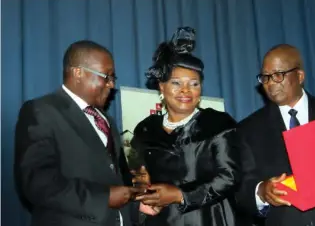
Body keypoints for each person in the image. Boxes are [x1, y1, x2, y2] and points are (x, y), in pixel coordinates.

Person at [14, 40, 157, 226]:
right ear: (78, 73)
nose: (112, 85)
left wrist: (138, 206)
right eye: (106, 77)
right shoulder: (41, 111)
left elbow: (118, 183)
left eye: (113, 78)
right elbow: (37, 182)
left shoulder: (107, 121)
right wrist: (104, 198)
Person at [129, 27, 242, 226]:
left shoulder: (217, 124)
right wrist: (143, 195)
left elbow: (229, 176)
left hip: (210, 218)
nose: (185, 90)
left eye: (194, 84)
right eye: (176, 83)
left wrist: (180, 195)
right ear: (161, 87)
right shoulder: (146, 130)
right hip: (162, 220)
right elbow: (138, 174)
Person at [237, 44, 315, 226]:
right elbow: (240, 189)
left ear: (300, 76)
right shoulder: (248, 129)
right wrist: (261, 192)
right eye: (265, 77)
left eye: (278, 75)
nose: (270, 83)